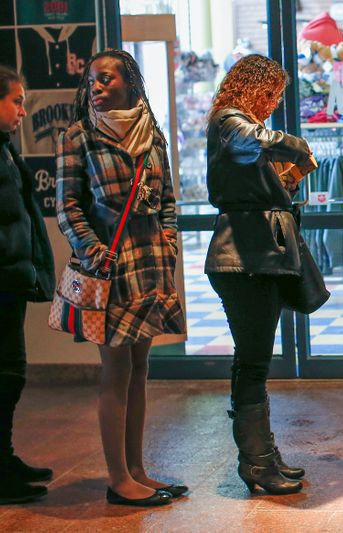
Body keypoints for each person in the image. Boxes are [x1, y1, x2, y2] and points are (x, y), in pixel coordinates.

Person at [56, 50, 185, 507]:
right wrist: (92, 249)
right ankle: (118, 480)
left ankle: (138, 470)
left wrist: (168, 237)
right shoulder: (80, 136)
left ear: (130, 81)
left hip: (149, 262)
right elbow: (67, 207)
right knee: (115, 371)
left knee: (140, 369)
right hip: (108, 267)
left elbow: (169, 198)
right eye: (91, 80)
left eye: (105, 78)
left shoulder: (153, 137)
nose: (96, 86)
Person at [205, 54, 316, 495]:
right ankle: (256, 463)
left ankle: (264, 457)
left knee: (255, 360)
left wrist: (288, 178)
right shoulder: (229, 121)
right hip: (243, 256)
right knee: (252, 361)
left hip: (255, 254)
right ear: (252, 87)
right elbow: (259, 140)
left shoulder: (237, 127)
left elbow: (262, 179)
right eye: (270, 94)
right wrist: (297, 146)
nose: (272, 104)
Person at [0, 66, 55, 505]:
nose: (23, 110)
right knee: (6, 375)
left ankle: (5, 458)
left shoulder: (5, 148)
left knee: (10, 374)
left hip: (11, 278)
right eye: (16, 100)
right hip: (3, 279)